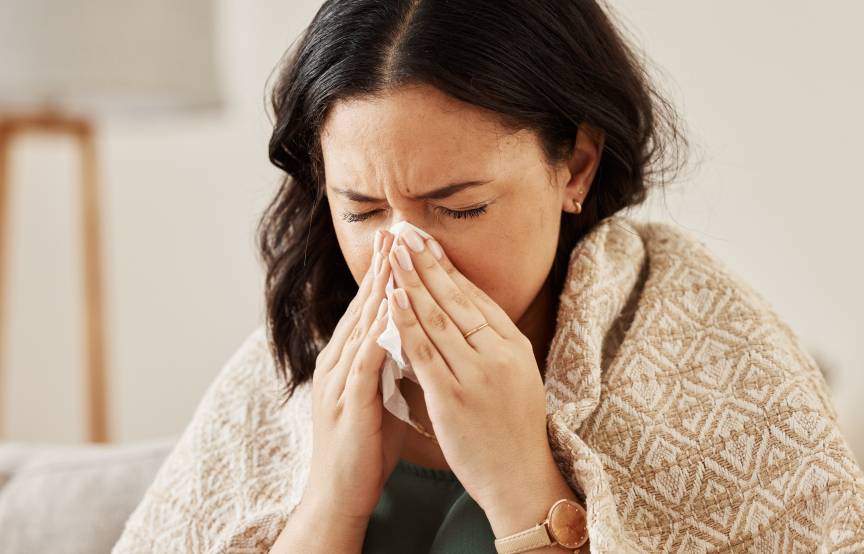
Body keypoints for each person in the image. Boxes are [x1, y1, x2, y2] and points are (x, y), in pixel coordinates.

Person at [113, 1, 864, 553]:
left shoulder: (712, 357)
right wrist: (330, 506)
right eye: (363, 209)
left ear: (575, 164)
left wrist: (521, 486)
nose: (403, 257)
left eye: (459, 208)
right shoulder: (289, 370)